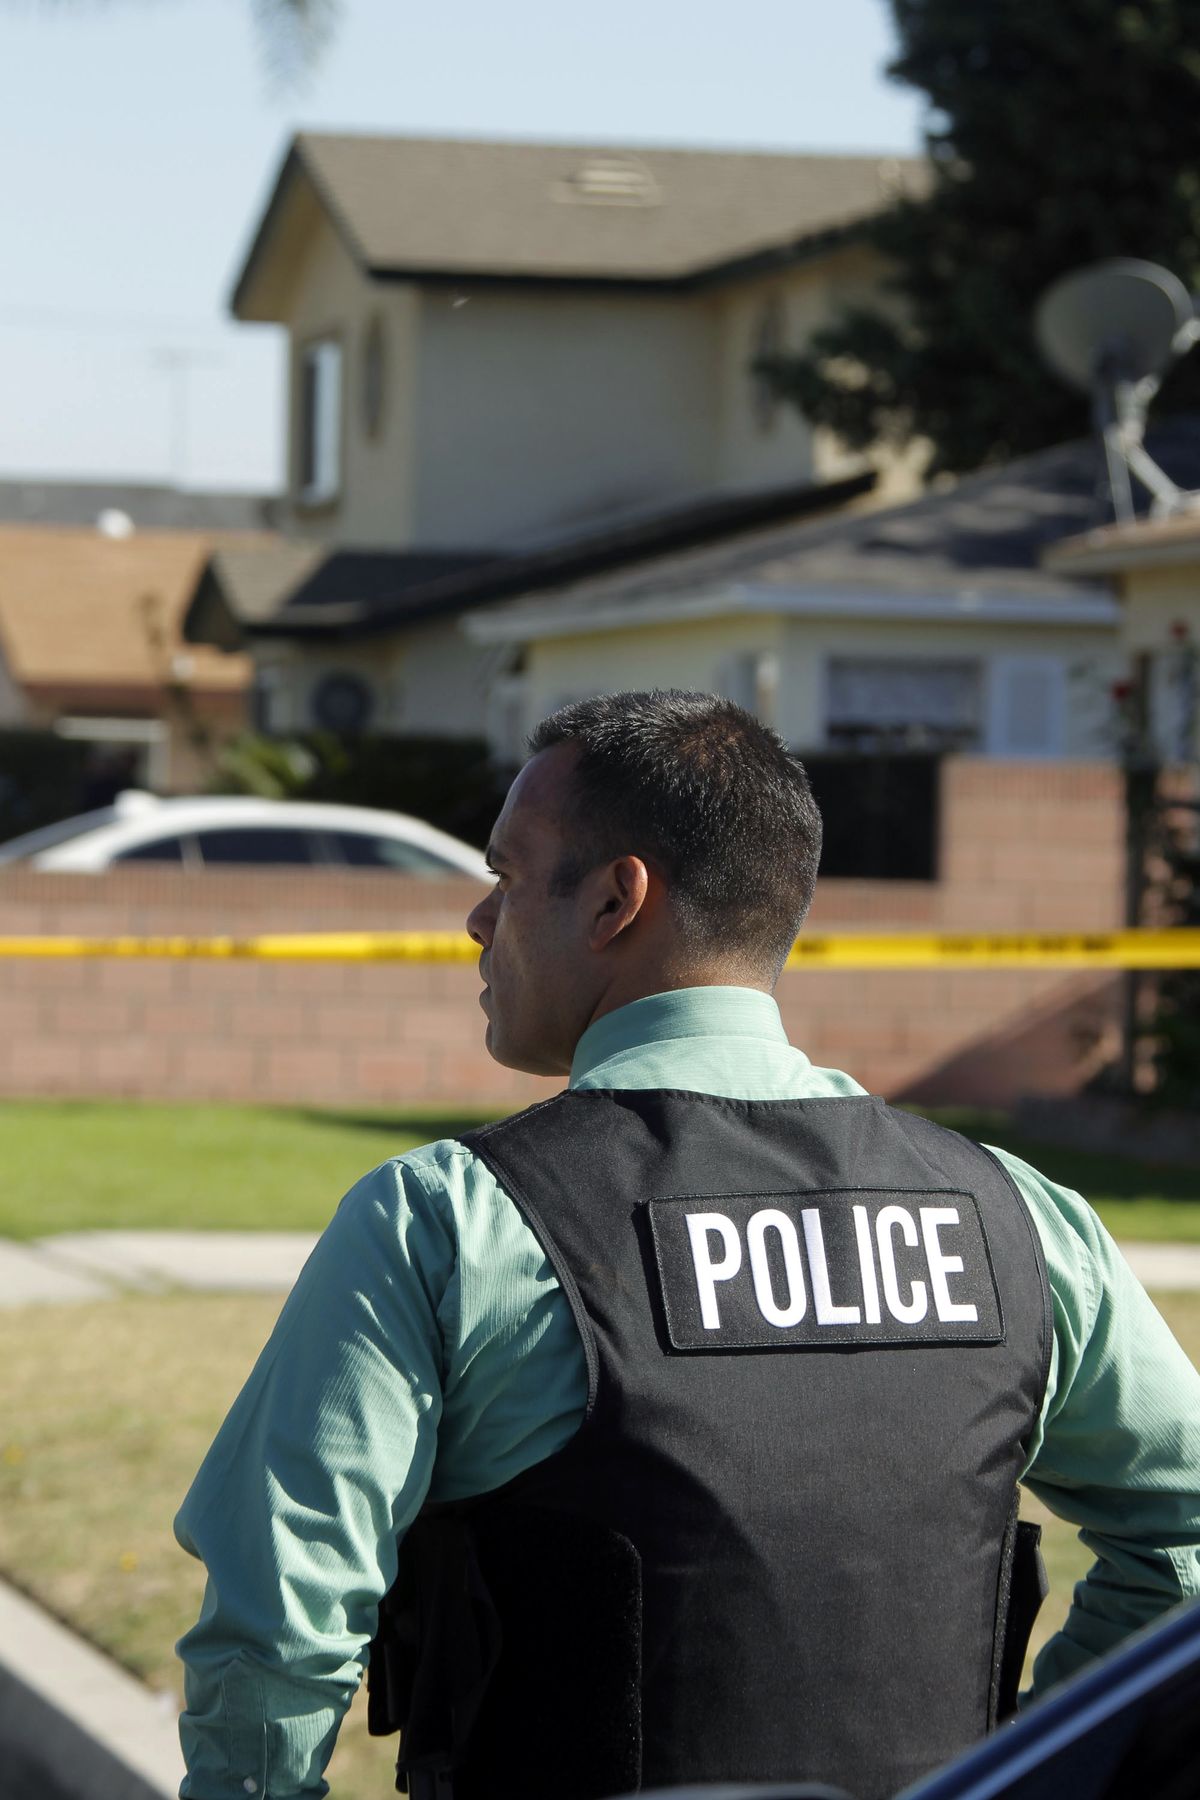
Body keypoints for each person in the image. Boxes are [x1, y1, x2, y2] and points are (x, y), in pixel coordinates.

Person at [176, 690, 1200, 1800]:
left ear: (618, 898)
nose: (480, 920)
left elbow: (276, 1630)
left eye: (508, 876)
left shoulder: (448, 1221)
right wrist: (1027, 1775)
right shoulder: (1018, 1218)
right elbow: (1183, 1536)